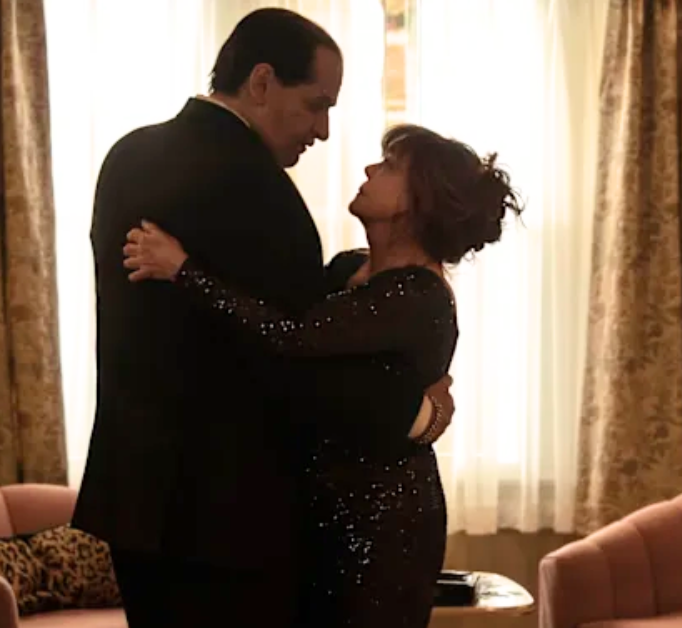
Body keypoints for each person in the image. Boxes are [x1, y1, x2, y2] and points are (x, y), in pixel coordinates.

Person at [70, 9, 454, 628]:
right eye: (315, 105)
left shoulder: (128, 155)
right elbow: (295, 360)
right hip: (231, 516)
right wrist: (417, 413)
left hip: (134, 494)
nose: (324, 131)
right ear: (263, 81)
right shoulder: (260, 190)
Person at [121, 123, 523, 627]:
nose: (370, 170)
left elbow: (293, 335)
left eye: (391, 166)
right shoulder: (347, 269)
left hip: (383, 524)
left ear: (415, 201)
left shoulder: (418, 295)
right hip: (319, 510)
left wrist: (182, 269)